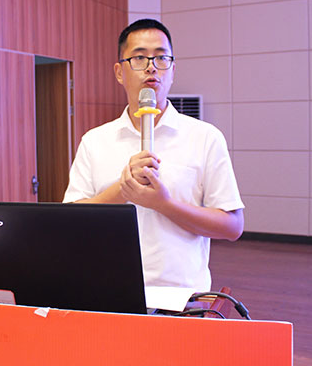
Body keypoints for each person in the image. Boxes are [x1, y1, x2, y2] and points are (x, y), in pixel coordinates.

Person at [63, 19, 244, 291]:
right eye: (139, 58)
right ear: (119, 72)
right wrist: (123, 190)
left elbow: (232, 226)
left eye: (161, 58)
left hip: (181, 295)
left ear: (172, 70)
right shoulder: (94, 141)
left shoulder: (205, 137)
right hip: (107, 289)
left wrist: (164, 204)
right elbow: (70, 223)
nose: (151, 67)